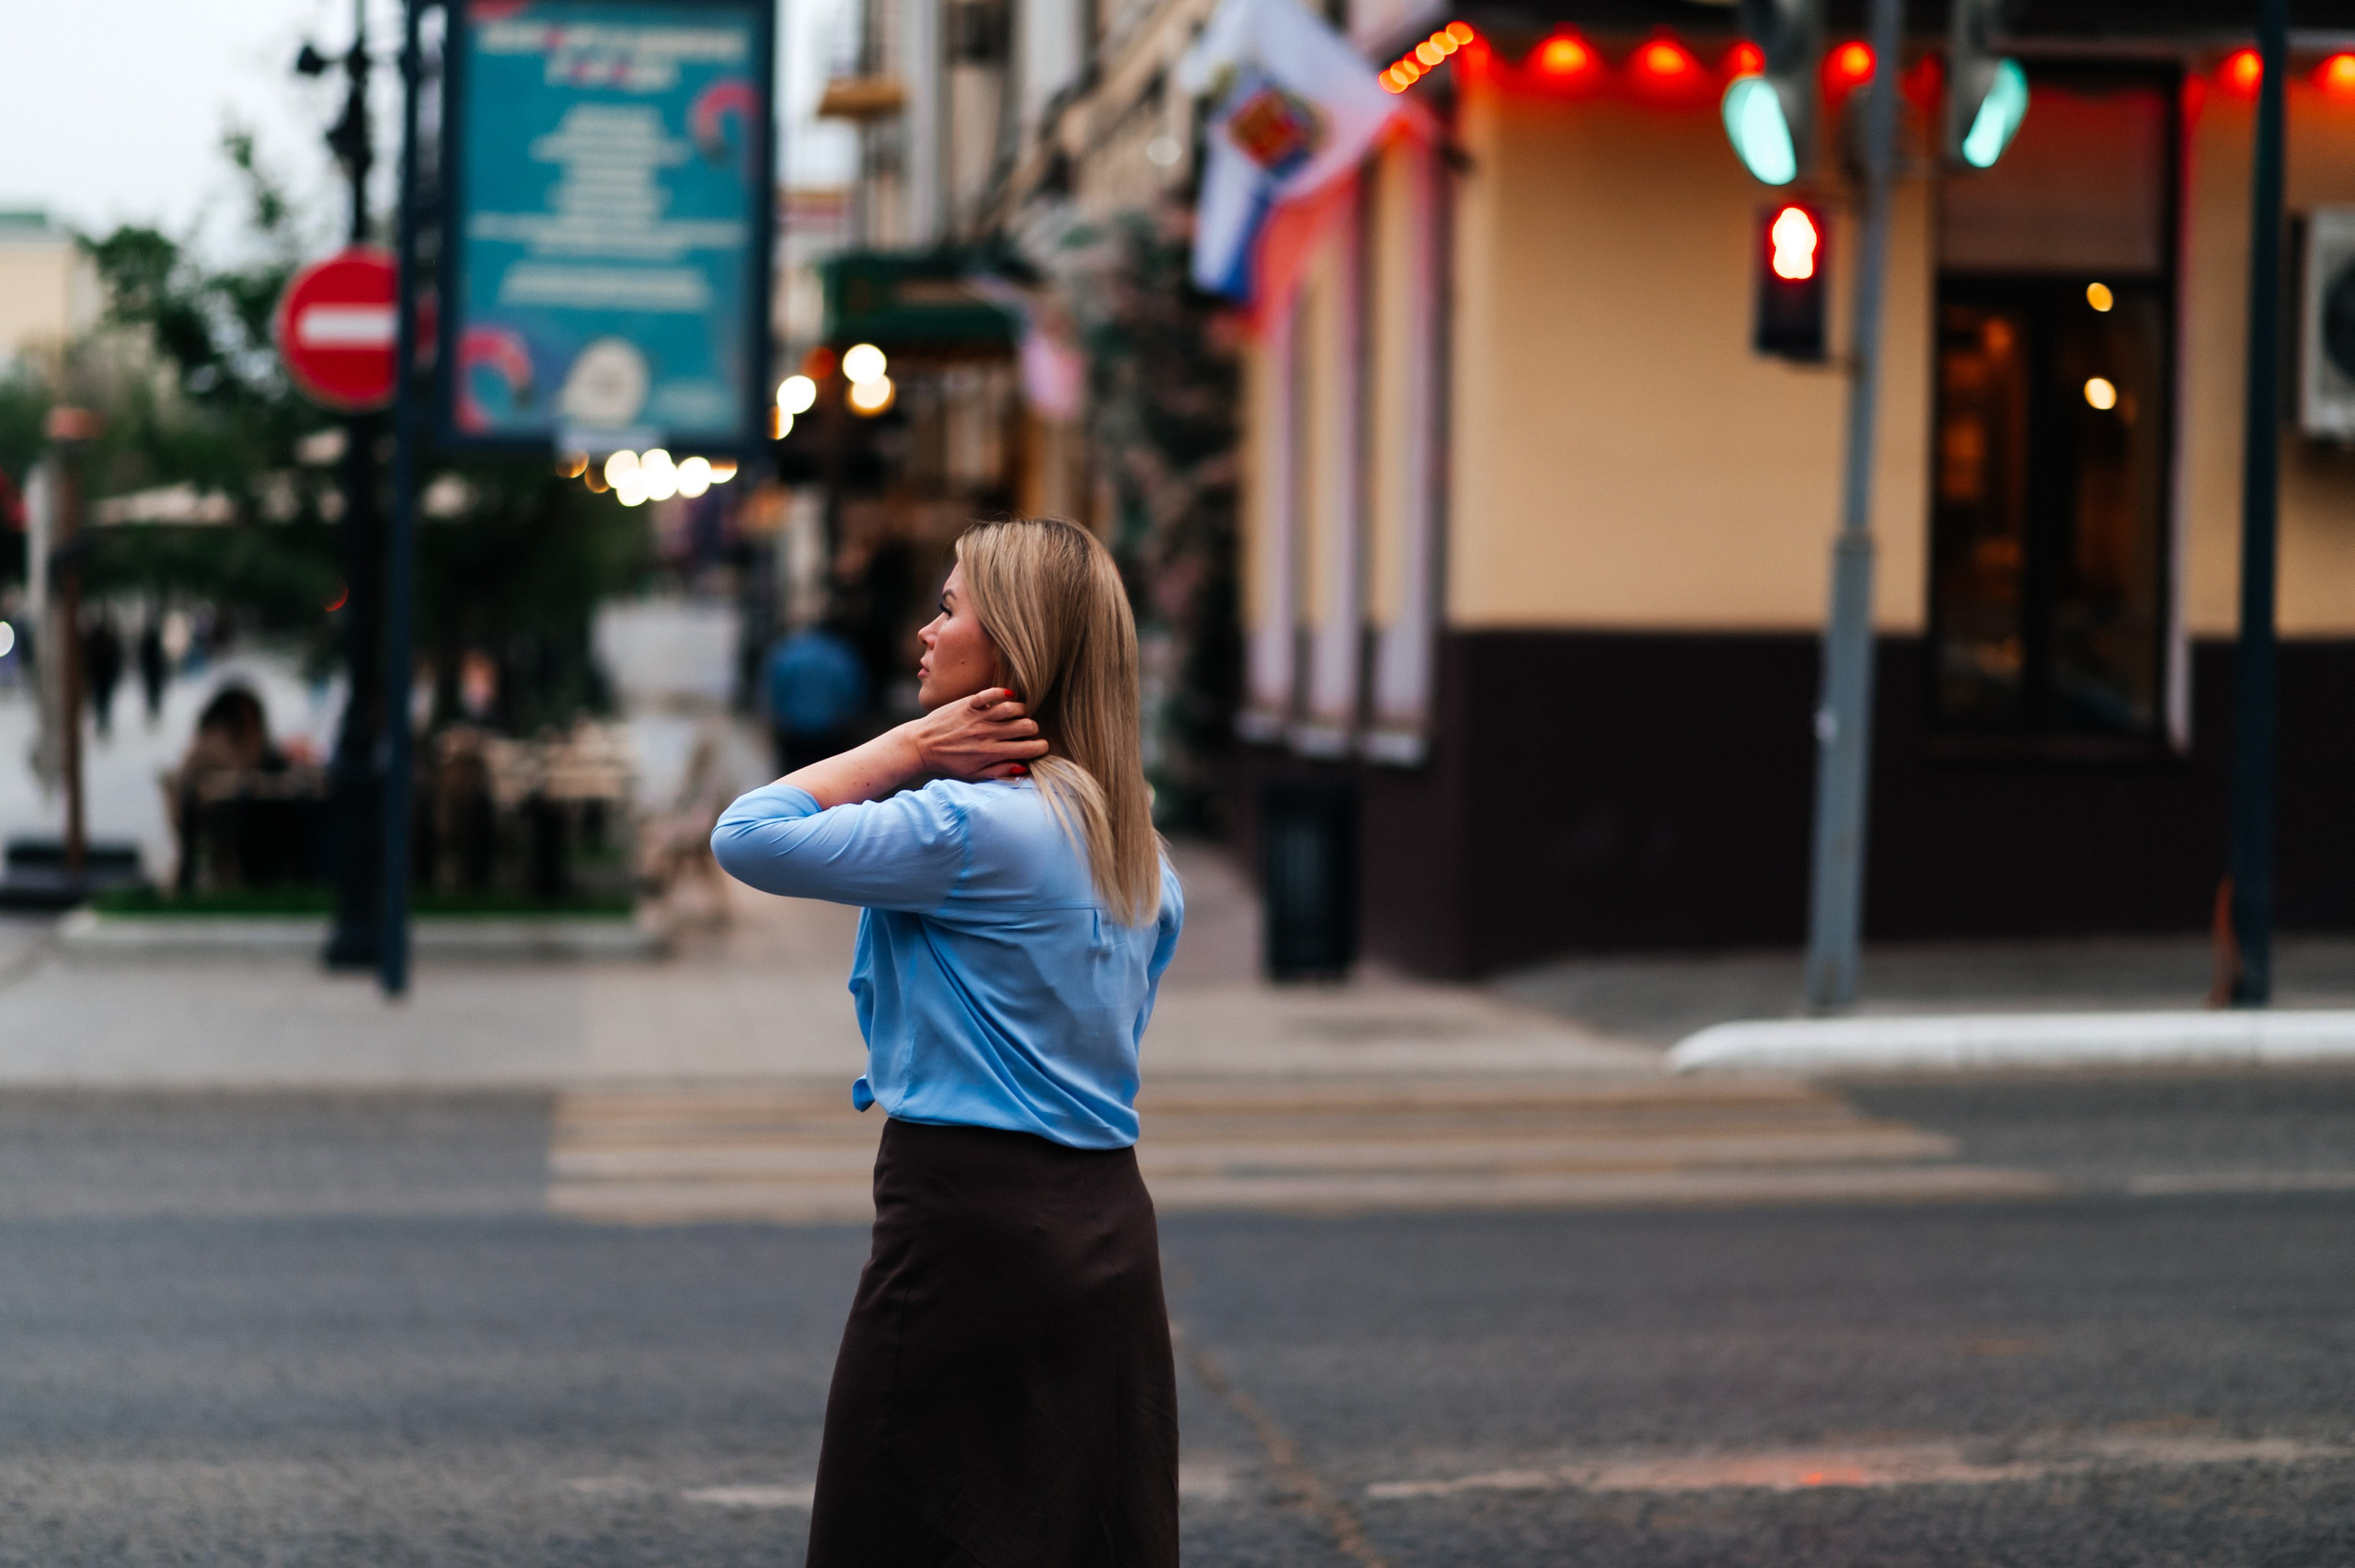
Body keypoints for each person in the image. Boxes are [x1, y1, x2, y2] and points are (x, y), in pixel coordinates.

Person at [711, 518, 1183, 1568]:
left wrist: (909, 747)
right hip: (1107, 1228)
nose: (924, 633)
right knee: (1078, 1535)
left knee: (896, 1523)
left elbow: (747, 834)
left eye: (948, 607)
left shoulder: (970, 829)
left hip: (966, 1224)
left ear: (1008, 652)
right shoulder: (1136, 850)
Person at [763, 617, 868, 776]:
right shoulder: (842, 655)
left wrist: (774, 720)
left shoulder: (790, 652)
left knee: (792, 777)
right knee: (828, 779)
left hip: (793, 729)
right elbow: (852, 691)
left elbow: (776, 687)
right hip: (830, 731)